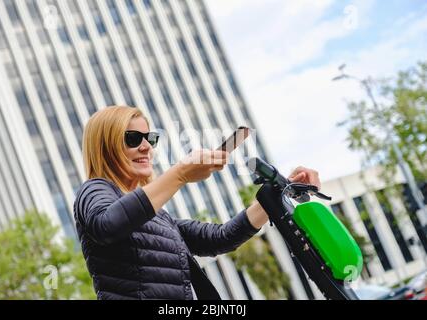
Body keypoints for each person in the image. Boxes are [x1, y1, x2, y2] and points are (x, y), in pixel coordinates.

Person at [73, 106, 321, 300]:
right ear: (105, 146)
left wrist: (276, 193)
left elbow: (219, 237)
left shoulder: (160, 218)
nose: (146, 146)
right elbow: (107, 224)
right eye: (133, 138)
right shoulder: (94, 189)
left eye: (150, 138)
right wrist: (180, 173)